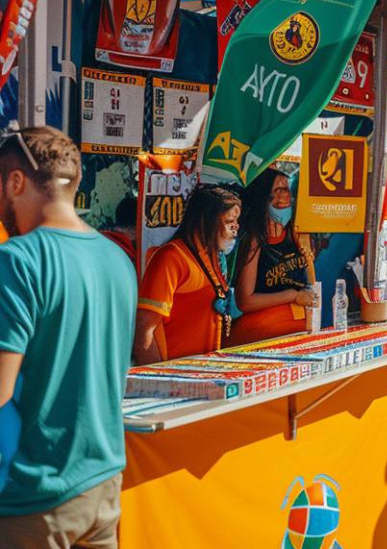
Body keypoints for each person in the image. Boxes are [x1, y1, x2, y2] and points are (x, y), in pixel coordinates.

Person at [0, 127, 135, 547]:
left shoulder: (17, 261)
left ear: (17, 182)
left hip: (36, 493)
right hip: (104, 483)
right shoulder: (118, 259)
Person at [133, 185, 242, 364]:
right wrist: (161, 380)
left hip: (205, 372)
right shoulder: (171, 258)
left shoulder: (212, 256)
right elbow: (144, 330)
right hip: (175, 376)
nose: (235, 228)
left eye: (236, 222)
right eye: (230, 221)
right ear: (206, 221)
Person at [230, 169, 317, 344]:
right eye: (278, 191)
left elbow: (311, 285)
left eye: (287, 190)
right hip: (259, 336)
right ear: (265, 198)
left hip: (297, 333)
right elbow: (245, 301)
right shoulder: (255, 239)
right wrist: (292, 296)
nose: (284, 198)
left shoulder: (296, 234)